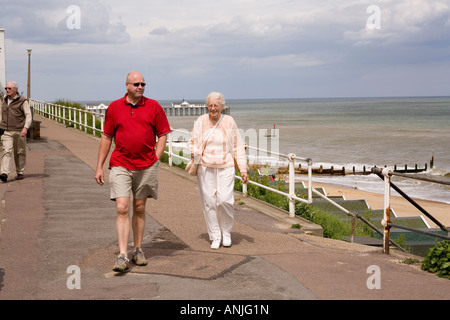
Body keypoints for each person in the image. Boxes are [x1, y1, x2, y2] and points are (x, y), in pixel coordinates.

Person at [95, 71, 171, 272]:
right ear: (127, 85)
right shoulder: (114, 107)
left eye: (143, 84)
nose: (140, 87)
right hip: (120, 164)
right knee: (122, 207)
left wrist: (157, 156)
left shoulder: (153, 106)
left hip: (146, 165)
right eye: (136, 84)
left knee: (139, 207)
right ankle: (122, 255)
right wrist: (99, 167)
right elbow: (106, 137)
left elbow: (163, 134)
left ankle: (138, 249)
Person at [189, 92, 248, 250]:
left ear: (222, 106)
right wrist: (194, 151)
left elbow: (238, 146)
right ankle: (215, 235)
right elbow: (192, 141)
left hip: (226, 166)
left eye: (216, 105)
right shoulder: (201, 121)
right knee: (209, 202)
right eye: (210, 105)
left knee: (224, 200)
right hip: (206, 166)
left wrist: (243, 169)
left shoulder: (229, 122)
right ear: (207, 106)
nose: (213, 108)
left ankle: (226, 232)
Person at [0, 81, 33, 182]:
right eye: (6, 88)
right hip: (6, 130)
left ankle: (20, 171)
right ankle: (4, 173)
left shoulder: (23, 101)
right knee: (6, 151)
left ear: (15, 89)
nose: (7, 90)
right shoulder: (3, 99)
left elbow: (28, 115)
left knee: (20, 152)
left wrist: (25, 127)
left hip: (19, 130)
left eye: (9, 88)